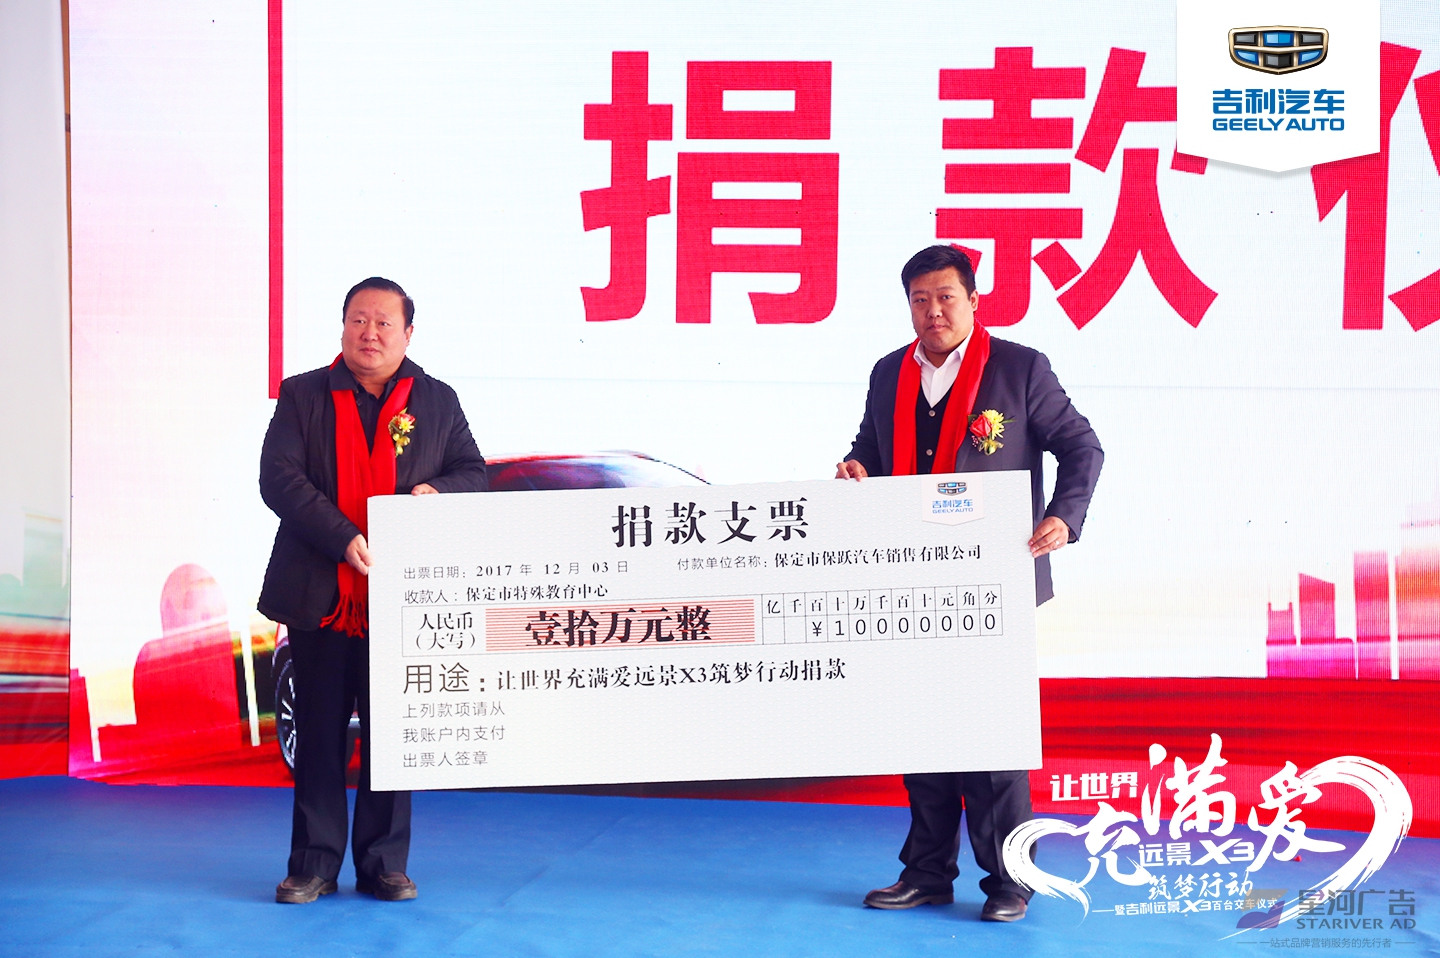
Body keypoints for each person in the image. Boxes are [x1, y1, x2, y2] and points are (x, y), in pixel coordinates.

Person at [836, 245, 1102, 922]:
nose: (933, 311)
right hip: (910, 580)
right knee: (922, 731)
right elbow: (870, 449)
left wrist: (1064, 516)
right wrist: (856, 467)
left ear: (974, 300)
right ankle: (926, 874)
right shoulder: (888, 373)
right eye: (920, 300)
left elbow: (1081, 446)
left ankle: (1011, 880)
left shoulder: (1019, 368)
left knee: (993, 740)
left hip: (994, 582)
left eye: (946, 297)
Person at [260, 277, 487, 903]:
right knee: (320, 730)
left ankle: (384, 862)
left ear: (408, 333)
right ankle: (313, 863)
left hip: (403, 597)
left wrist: (439, 492)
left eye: (385, 322)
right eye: (359, 320)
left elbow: (474, 472)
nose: (370, 333)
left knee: (393, 732)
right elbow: (279, 478)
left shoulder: (436, 401)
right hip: (321, 591)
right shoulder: (303, 394)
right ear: (343, 327)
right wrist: (342, 537)